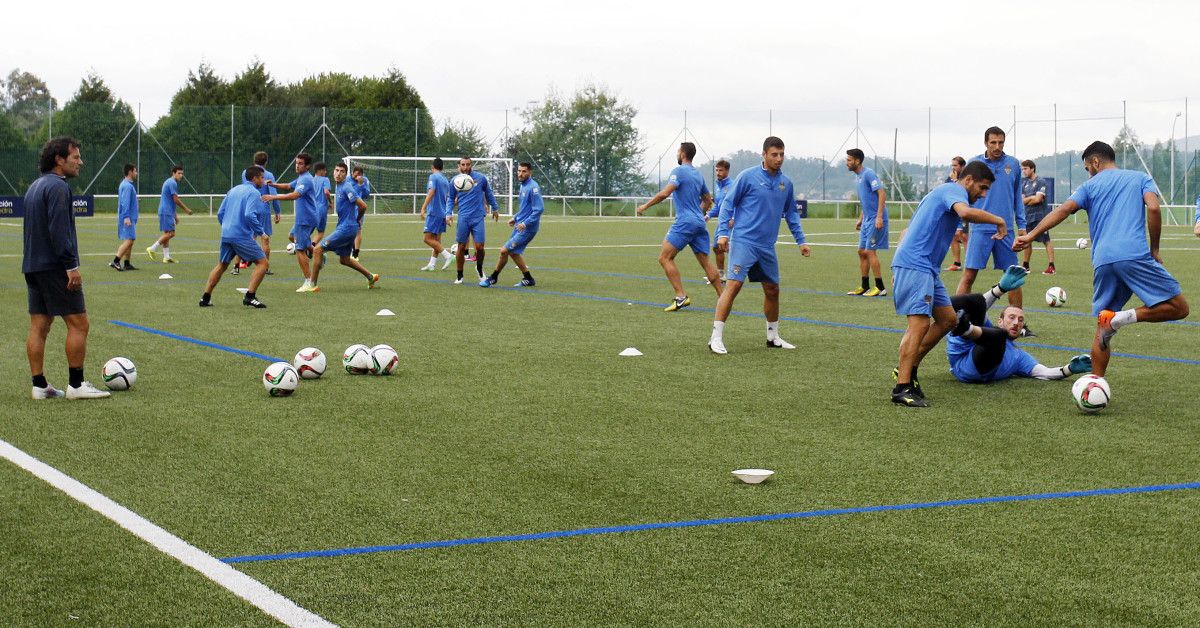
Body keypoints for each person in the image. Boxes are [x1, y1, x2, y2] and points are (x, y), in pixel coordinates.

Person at [1014, 141, 1189, 379]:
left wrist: (1031, 235)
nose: (1089, 172)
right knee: (1179, 307)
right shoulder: (1139, 178)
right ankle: (1121, 318)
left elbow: (1062, 210)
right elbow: (1155, 208)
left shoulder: (1089, 186)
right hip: (1134, 255)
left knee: (1102, 328)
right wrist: (1155, 249)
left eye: (1087, 167)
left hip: (1103, 260)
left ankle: (1095, 384)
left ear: (1095, 162)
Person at [890, 160, 1004, 407]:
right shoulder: (954, 191)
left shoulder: (944, 194)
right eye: (982, 188)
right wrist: (998, 220)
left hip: (927, 269)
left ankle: (907, 369)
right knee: (919, 324)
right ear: (968, 180)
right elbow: (965, 213)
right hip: (916, 266)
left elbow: (908, 229)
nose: (982, 195)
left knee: (948, 320)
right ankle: (902, 388)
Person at [23, 136, 109, 399]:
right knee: (79, 324)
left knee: (39, 325)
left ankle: (39, 386)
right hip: (54, 267)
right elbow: (59, 231)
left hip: (32, 266)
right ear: (59, 160)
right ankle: (76, 385)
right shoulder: (59, 187)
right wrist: (71, 266)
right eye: (75, 157)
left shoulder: (34, 187)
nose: (80, 162)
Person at [708, 136, 810, 354]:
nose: (779, 158)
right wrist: (723, 233)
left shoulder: (786, 183)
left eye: (782, 154)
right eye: (774, 154)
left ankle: (773, 337)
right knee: (734, 285)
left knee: (773, 290)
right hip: (744, 241)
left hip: (767, 246)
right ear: (763, 155)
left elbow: (791, 213)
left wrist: (801, 241)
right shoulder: (747, 177)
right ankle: (715, 337)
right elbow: (728, 204)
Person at [945, 266, 1092, 383]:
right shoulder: (989, 326)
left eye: (1021, 320)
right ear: (1000, 321)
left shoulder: (1019, 356)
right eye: (1011, 317)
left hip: (972, 370)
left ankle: (964, 328)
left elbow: (1043, 372)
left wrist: (1069, 369)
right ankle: (941, 309)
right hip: (961, 352)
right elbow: (980, 305)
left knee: (999, 336)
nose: (1016, 323)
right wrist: (1000, 289)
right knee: (977, 301)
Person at [636, 142, 722, 311]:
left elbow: (665, 193)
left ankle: (681, 296)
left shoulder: (679, 171)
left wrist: (644, 206)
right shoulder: (698, 175)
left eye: (678, 151)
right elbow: (707, 200)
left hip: (685, 221)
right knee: (705, 262)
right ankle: (723, 296)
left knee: (664, 258)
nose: (677, 154)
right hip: (698, 222)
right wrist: (698, 214)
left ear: (683, 154)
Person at [956, 128, 1026, 314]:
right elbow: (961, 195)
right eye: (993, 142)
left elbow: (1017, 198)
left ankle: (1017, 321)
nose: (997, 146)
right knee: (969, 275)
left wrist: (1022, 226)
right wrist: (959, 224)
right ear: (985, 142)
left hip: (1007, 230)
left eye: (1001, 142)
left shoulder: (1013, 164)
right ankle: (958, 317)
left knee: (1012, 276)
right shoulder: (974, 163)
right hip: (979, 229)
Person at [198, 167, 270, 308]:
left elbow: (220, 213)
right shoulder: (254, 192)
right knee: (263, 263)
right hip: (240, 236)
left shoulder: (234, 190)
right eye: (261, 177)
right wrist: (262, 233)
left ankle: (205, 298)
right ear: (254, 178)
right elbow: (249, 215)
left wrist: (226, 226)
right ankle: (250, 296)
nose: (263, 180)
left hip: (226, 234)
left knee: (222, 265)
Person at [307, 163, 380, 292]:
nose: (338, 173)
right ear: (333, 172)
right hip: (346, 227)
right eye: (336, 170)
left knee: (317, 250)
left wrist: (357, 219)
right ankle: (370, 276)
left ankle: (311, 285)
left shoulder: (347, 187)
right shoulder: (338, 185)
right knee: (345, 260)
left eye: (342, 171)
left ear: (345, 174)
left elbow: (363, 206)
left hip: (347, 228)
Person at [262, 153, 320, 292]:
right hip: (306, 218)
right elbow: (289, 186)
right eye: (296, 163)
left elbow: (294, 195)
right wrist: (274, 184)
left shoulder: (306, 179)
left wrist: (273, 196)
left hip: (305, 219)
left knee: (300, 249)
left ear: (307, 166)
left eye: (300, 163)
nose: (297, 165)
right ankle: (319, 255)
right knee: (293, 236)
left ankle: (309, 282)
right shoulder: (301, 178)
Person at [481, 162, 543, 287]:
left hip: (527, 228)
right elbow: (525, 207)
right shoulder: (523, 186)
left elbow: (539, 209)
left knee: (504, 251)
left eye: (524, 171)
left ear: (530, 172)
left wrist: (525, 223)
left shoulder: (533, 187)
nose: (520, 174)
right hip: (519, 225)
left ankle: (493, 277)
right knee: (514, 253)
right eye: (519, 171)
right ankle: (528, 278)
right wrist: (515, 218)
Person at [845, 148, 888, 296]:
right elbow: (868, 200)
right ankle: (864, 286)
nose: (847, 163)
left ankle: (880, 288)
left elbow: (882, 194)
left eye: (849, 160)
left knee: (870, 251)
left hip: (876, 218)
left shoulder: (868, 173)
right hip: (867, 219)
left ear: (857, 161)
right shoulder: (858, 177)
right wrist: (861, 218)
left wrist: (879, 217)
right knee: (861, 252)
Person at [450, 157, 500, 284]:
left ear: (471, 165)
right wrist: (447, 213)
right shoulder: (455, 181)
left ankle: (479, 268)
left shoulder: (481, 178)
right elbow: (450, 199)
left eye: (468, 164)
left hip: (478, 217)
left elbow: (488, 193)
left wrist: (495, 208)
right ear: (459, 165)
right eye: (463, 164)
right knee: (461, 247)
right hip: (463, 218)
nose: (465, 167)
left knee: (480, 247)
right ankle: (460, 275)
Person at [231, 152, 281, 276]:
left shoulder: (246, 172)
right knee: (265, 239)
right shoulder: (268, 175)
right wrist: (277, 210)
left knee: (246, 237)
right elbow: (273, 193)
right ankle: (266, 267)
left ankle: (236, 266)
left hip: (249, 207)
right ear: (266, 162)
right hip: (263, 209)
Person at [146, 165, 192, 263]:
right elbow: (175, 199)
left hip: (166, 211)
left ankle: (166, 257)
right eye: (179, 173)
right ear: (173, 173)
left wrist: (175, 216)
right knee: (171, 233)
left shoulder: (170, 182)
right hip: (166, 211)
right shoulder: (172, 183)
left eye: (182, 174)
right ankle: (152, 248)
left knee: (167, 234)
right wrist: (186, 209)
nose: (181, 175)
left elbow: (171, 201)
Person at [418, 158, 455, 271]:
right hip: (442, 213)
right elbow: (449, 198)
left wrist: (423, 208)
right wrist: (448, 214)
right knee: (436, 241)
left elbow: (431, 192)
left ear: (432, 166)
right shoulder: (445, 180)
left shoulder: (433, 176)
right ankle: (432, 264)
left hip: (434, 212)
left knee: (427, 239)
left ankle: (448, 256)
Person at [1019, 159, 1054, 274]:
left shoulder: (1041, 181)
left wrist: (1029, 199)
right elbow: (1023, 201)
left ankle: (1051, 266)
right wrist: (1031, 198)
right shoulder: (1023, 182)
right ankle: (1025, 265)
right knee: (1026, 241)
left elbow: (1038, 199)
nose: (1023, 171)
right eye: (1022, 169)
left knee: (1046, 241)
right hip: (1027, 216)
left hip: (1040, 216)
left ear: (1032, 168)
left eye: (1025, 168)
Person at [704, 159, 733, 282]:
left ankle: (737, 273)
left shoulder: (733, 186)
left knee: (730, 248)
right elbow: (717, 205)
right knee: (717, 247)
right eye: (716, 170)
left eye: (720, 170)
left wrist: (734, 218)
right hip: (722, 222)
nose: (718, 173)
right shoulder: (717, 186)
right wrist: (708, 215)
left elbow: (738, 203)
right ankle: (721, 275)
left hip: (731, 222)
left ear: (727, 171)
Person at [110, 163, 139, 271]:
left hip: (130, 217)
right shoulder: (127, 186)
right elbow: (124, 203)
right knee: (130, 240)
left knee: (130, 240)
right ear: (130, 172)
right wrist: (126, 217)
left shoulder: (126, 184)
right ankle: (116, 260)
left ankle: (127, 263)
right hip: (128, 218)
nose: (136, 173)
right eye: (135, 171)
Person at [945, 156, 967, 271]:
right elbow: (947, 190)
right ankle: (956, 263)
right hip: (954, 211)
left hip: (965, 210)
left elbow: (964, 190)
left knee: (964, 236)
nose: (953, 168)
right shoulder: (950, 177)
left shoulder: (967, 177)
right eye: (952, 165)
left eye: (955, 165)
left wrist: (955, 180)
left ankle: (970, 263)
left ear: (962, 166)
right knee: (953, 236)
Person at [351, 165, 371, 260]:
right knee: (349, 230)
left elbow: (366, 194)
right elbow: (352, 195)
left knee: (358, 230)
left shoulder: (365, 180)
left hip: (359, 208)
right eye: (355, 174)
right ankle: (351, 249)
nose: (357, 177)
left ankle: (356, 254)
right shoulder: (347, 180)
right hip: (348, 209)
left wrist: (361, 184)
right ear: (352, 173)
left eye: (359, 175)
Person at [311, 162, 332, 247]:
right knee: (320, 232)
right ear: (320, 171)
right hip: (321, 208)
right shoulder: (325, 179)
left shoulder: (311, 180)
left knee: (308, 231)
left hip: (311, 209)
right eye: (324, 170)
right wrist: (330, 202)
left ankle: (304, 246)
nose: (325, 172)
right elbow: (326, 192)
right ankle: (311, 247)